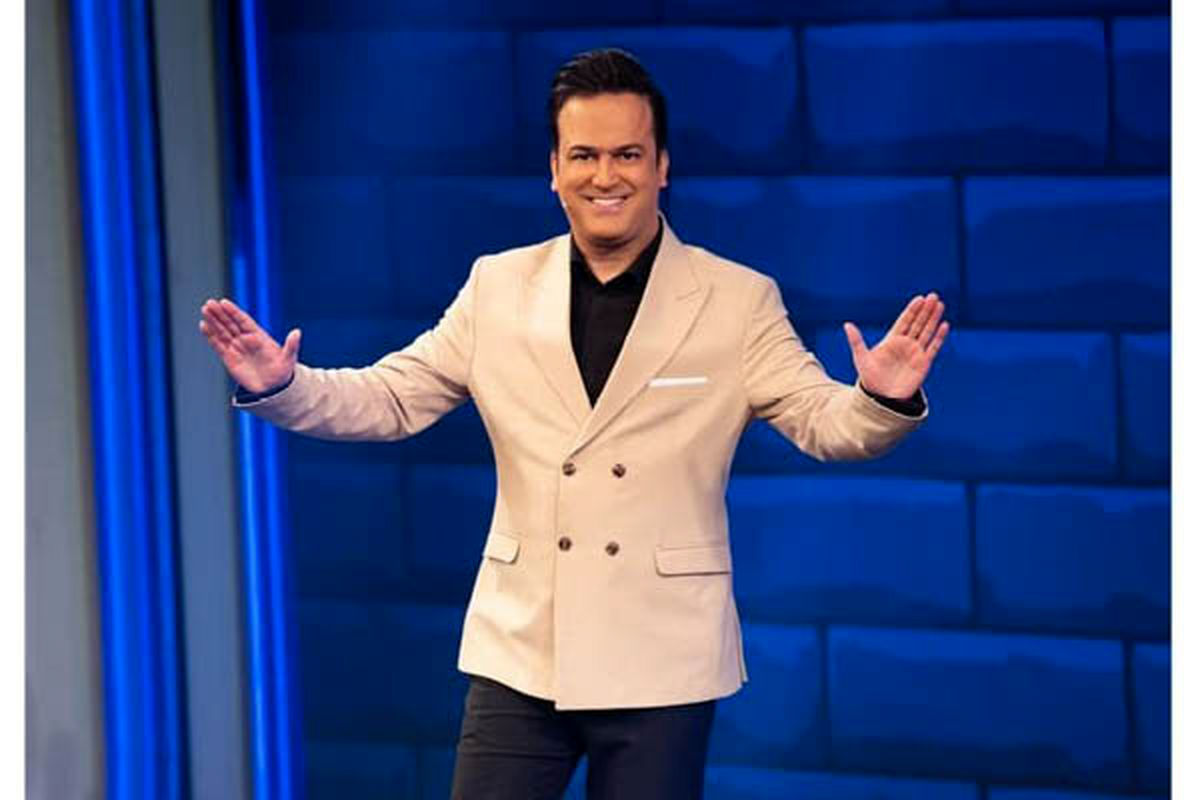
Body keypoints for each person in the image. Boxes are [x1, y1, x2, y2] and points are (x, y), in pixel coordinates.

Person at [200, 48, 948, 800]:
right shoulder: (497, 286)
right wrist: (284, 386)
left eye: (627, 154)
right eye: (584, 155)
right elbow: (392, 398)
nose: (604, 176)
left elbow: (824, 423)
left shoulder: (736, 300)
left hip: (662, 653)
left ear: (662, 167)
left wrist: (878, 399)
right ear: (554, 170)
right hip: (522, 645)